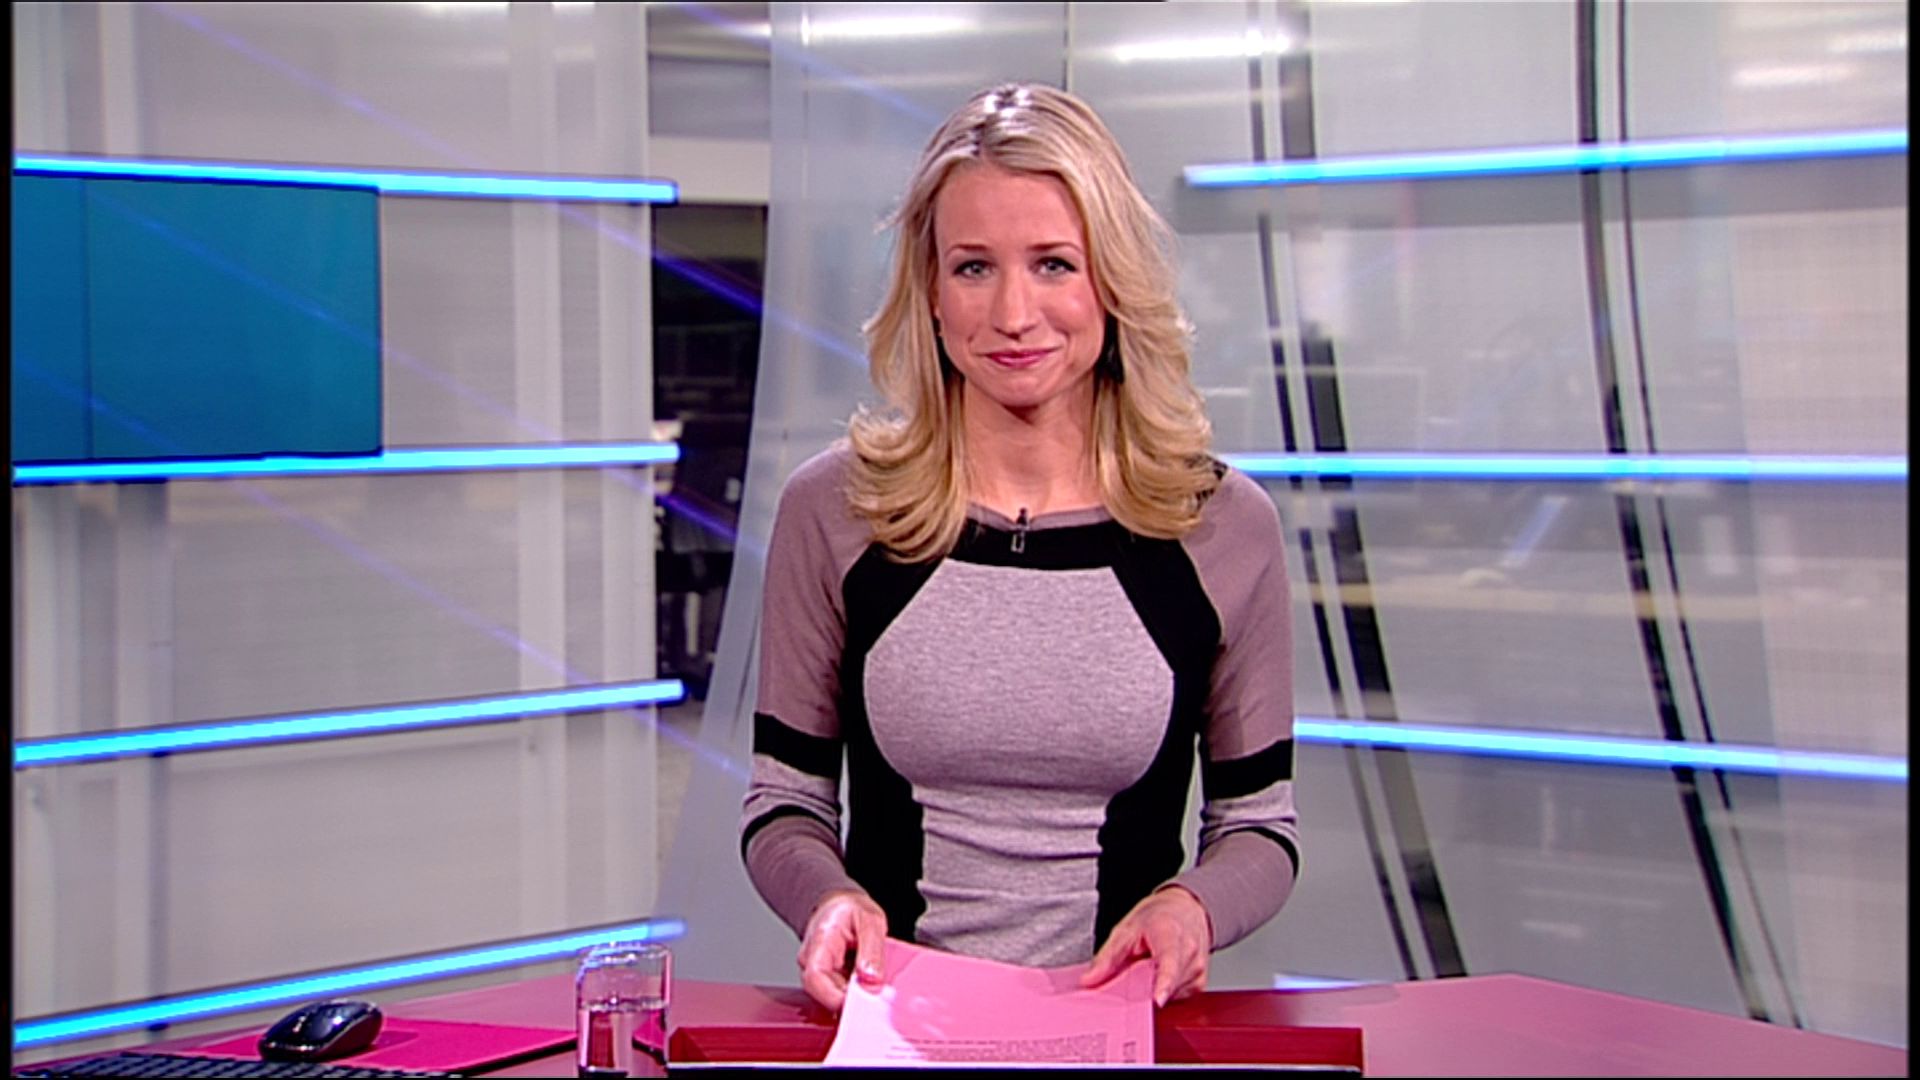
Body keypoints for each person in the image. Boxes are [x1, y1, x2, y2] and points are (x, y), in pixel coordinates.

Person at [739, 82, 1298, 1014]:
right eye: (973, 267)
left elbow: (1258, 824)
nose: (1012, 314)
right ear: (928, 288)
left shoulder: (1222, 527)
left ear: (1111, 279)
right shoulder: (836, 511)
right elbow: (784, 803)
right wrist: (826, 898)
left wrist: (1192, 907)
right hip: (895, 1030)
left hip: (1122, 1034)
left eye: (1052, 265)